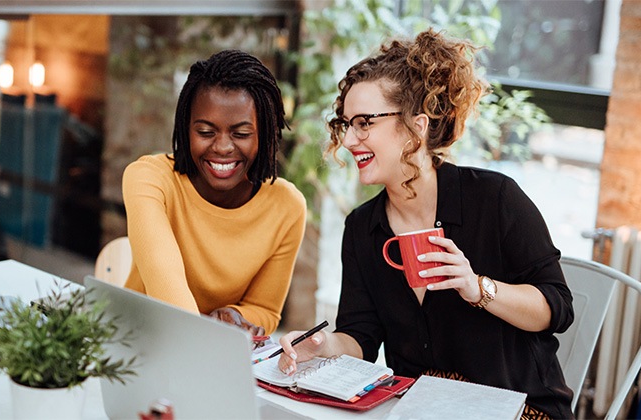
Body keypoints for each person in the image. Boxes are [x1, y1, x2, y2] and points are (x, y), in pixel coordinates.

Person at [277, 29, 574, 419]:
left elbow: (557, 309)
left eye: (365, 122)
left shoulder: (495, 199)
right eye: (346, 124)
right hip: (423, 409)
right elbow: (362, 339)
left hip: (518, 408)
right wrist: (324, 345)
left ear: (417, 125)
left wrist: (477, 288)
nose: (349, 139)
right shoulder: (363, 228)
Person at [122, 50, 307, 337]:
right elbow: (166, 287)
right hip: (139, 342)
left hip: (216, 353)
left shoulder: (287, 206)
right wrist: (208, 332)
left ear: (266, 134)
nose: (222, 147)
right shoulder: (149, 179)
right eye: (206, 132)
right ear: (186, 129)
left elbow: (265, 309)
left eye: (241, 134)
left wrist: (237, 315)